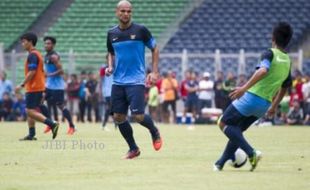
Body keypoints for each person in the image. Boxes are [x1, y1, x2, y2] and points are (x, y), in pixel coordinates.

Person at [214, 22, 293, 171]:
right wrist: (274, 106)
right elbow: (285, 87)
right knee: (236, 131)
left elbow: (263, 70)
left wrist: (244, 88)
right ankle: (220, 164)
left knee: (223, 123)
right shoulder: (288, 61)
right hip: (264, 105)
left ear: (273, 38)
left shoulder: (269, 53)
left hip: (251, 98)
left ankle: (251, 152)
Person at [106, 0, 162, 159]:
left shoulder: (141, 30)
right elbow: (110, 52)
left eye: (129, 11)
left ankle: (154, 131)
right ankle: (133, 149)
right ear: (117, 12)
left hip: (136, 80)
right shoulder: (111, 33)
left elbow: (155, 48)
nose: (126, 14)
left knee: (138, 116)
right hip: (118, 81)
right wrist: (110, 66)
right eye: (123, 11)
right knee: (118, 117)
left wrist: (155, 72)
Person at [15, 32, 59, 140]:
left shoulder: (33, 55)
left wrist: (22, 84)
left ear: (30, 42)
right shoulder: (36, 54)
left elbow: (32, 71)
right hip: (37, 86)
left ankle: (52, 124)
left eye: (24, 42)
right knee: (31, 110)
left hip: (34, 87)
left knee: (30, 111)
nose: (22, 44)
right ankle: (31, 134)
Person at [42, 36, 76, 135]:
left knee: (60, 106)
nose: (46, 45)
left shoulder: (54, 57)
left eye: (48, 43)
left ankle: (72, 126)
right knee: (40, 102)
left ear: (53, 45)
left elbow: (61, 71)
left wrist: (48, 75)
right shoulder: (46, 55)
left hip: (57, 86)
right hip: (49, 85)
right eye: (45, 43)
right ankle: (50, 123)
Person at [99, 61, 113, 130]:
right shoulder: (103, 68)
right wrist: (100, 91)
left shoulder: (116, 66)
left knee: (112, 107)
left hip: (115, 90)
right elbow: (101, 80)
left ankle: (105, 124)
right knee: (109, 107)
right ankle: (104, 124)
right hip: (107, 91)